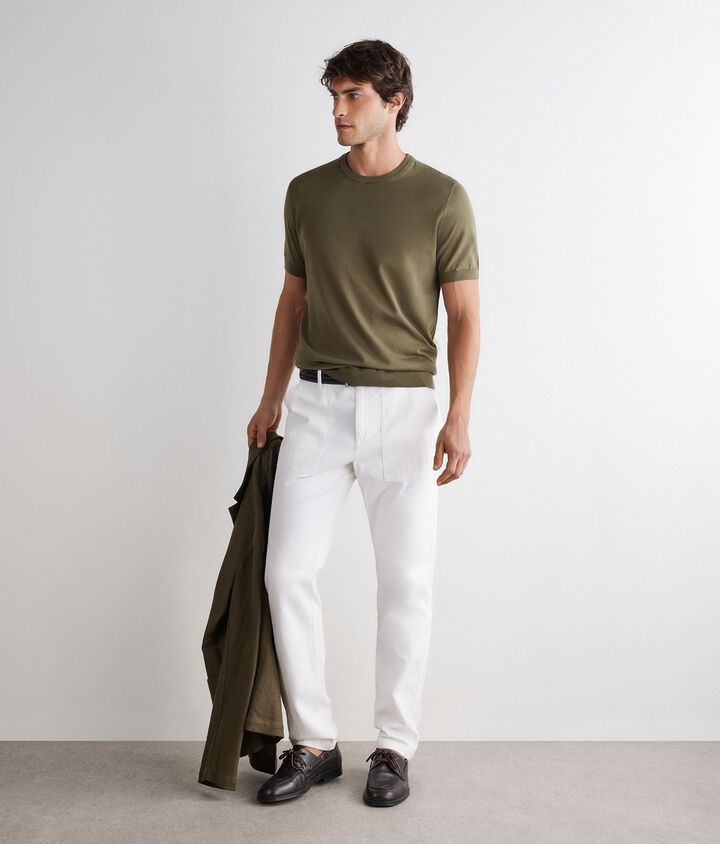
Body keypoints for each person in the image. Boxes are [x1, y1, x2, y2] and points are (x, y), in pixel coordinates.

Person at [247, 39, 480, 807]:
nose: (338, 111)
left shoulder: (442, 198)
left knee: (405, 584)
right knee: (286, 573)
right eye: (334, 97)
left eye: (353, 97)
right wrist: (271, 397)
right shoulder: (307, 193)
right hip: (316, 406)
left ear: (394, 102)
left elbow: (464, 316)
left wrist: (459, 415)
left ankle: (394, 747)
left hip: (405, 410)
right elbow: (293, 300)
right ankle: (314, 742)